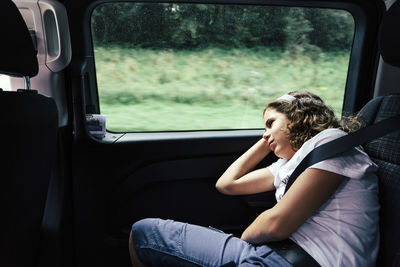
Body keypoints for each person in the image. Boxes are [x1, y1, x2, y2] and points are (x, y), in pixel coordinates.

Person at [129, 91, 380, 267]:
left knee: (147, 236)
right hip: (277, 254)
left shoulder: (331, 142)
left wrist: (244, 245)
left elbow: (275, 224)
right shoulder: (287, 165)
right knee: (143, 233)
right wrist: (266, 141)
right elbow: (227, 184)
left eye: (271, 123)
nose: (266, 133)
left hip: (310, 260)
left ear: (296, 116)